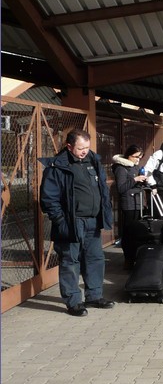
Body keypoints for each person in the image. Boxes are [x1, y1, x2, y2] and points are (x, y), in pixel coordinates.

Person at [39, 129, 116, 316]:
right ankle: (73, 302)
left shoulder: (93, 161)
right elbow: (49, 199)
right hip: (71, 222)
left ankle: (94, 296)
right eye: (81, 148)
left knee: (95, 259)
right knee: (70, 261)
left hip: (92, 221)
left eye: (87, 147)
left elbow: (102, 191)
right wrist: (60, 221)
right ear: (69, 146)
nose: (84, 151)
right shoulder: (57, 167)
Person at [111, 144, 150, 269]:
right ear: (129, 155)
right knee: (129, 233)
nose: (138, 159)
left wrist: (143, 181)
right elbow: (121, 188)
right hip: (129, 204)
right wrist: (135, 180)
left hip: (138, 203)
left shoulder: (135, 166)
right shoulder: (121, 168)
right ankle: (128, 258)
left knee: (137, 232)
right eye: (136, 157)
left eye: (140, 157)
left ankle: (136, 257)